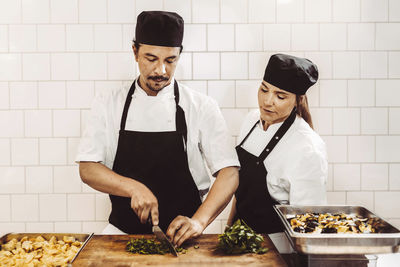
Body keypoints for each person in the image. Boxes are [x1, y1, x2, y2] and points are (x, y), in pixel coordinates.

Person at [76, 11, 239, 246]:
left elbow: (229, 173)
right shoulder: (109, 104)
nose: (161, 70)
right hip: (121, 233)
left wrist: (199, 222)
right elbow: (88, 168)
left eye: (170, 60)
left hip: (185, 238)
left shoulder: (201, 106)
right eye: (151, 58)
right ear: (135, 52)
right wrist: (133, 187)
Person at [227, 53, 327, 251]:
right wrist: (228, 227)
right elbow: (242, 189)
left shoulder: (307, 148)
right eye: (264, 90)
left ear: (298, 101)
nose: (267, 101)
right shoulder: (251, 121)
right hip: (238, 240)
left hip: (275, 249)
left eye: (280, 96)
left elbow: (307, 225)